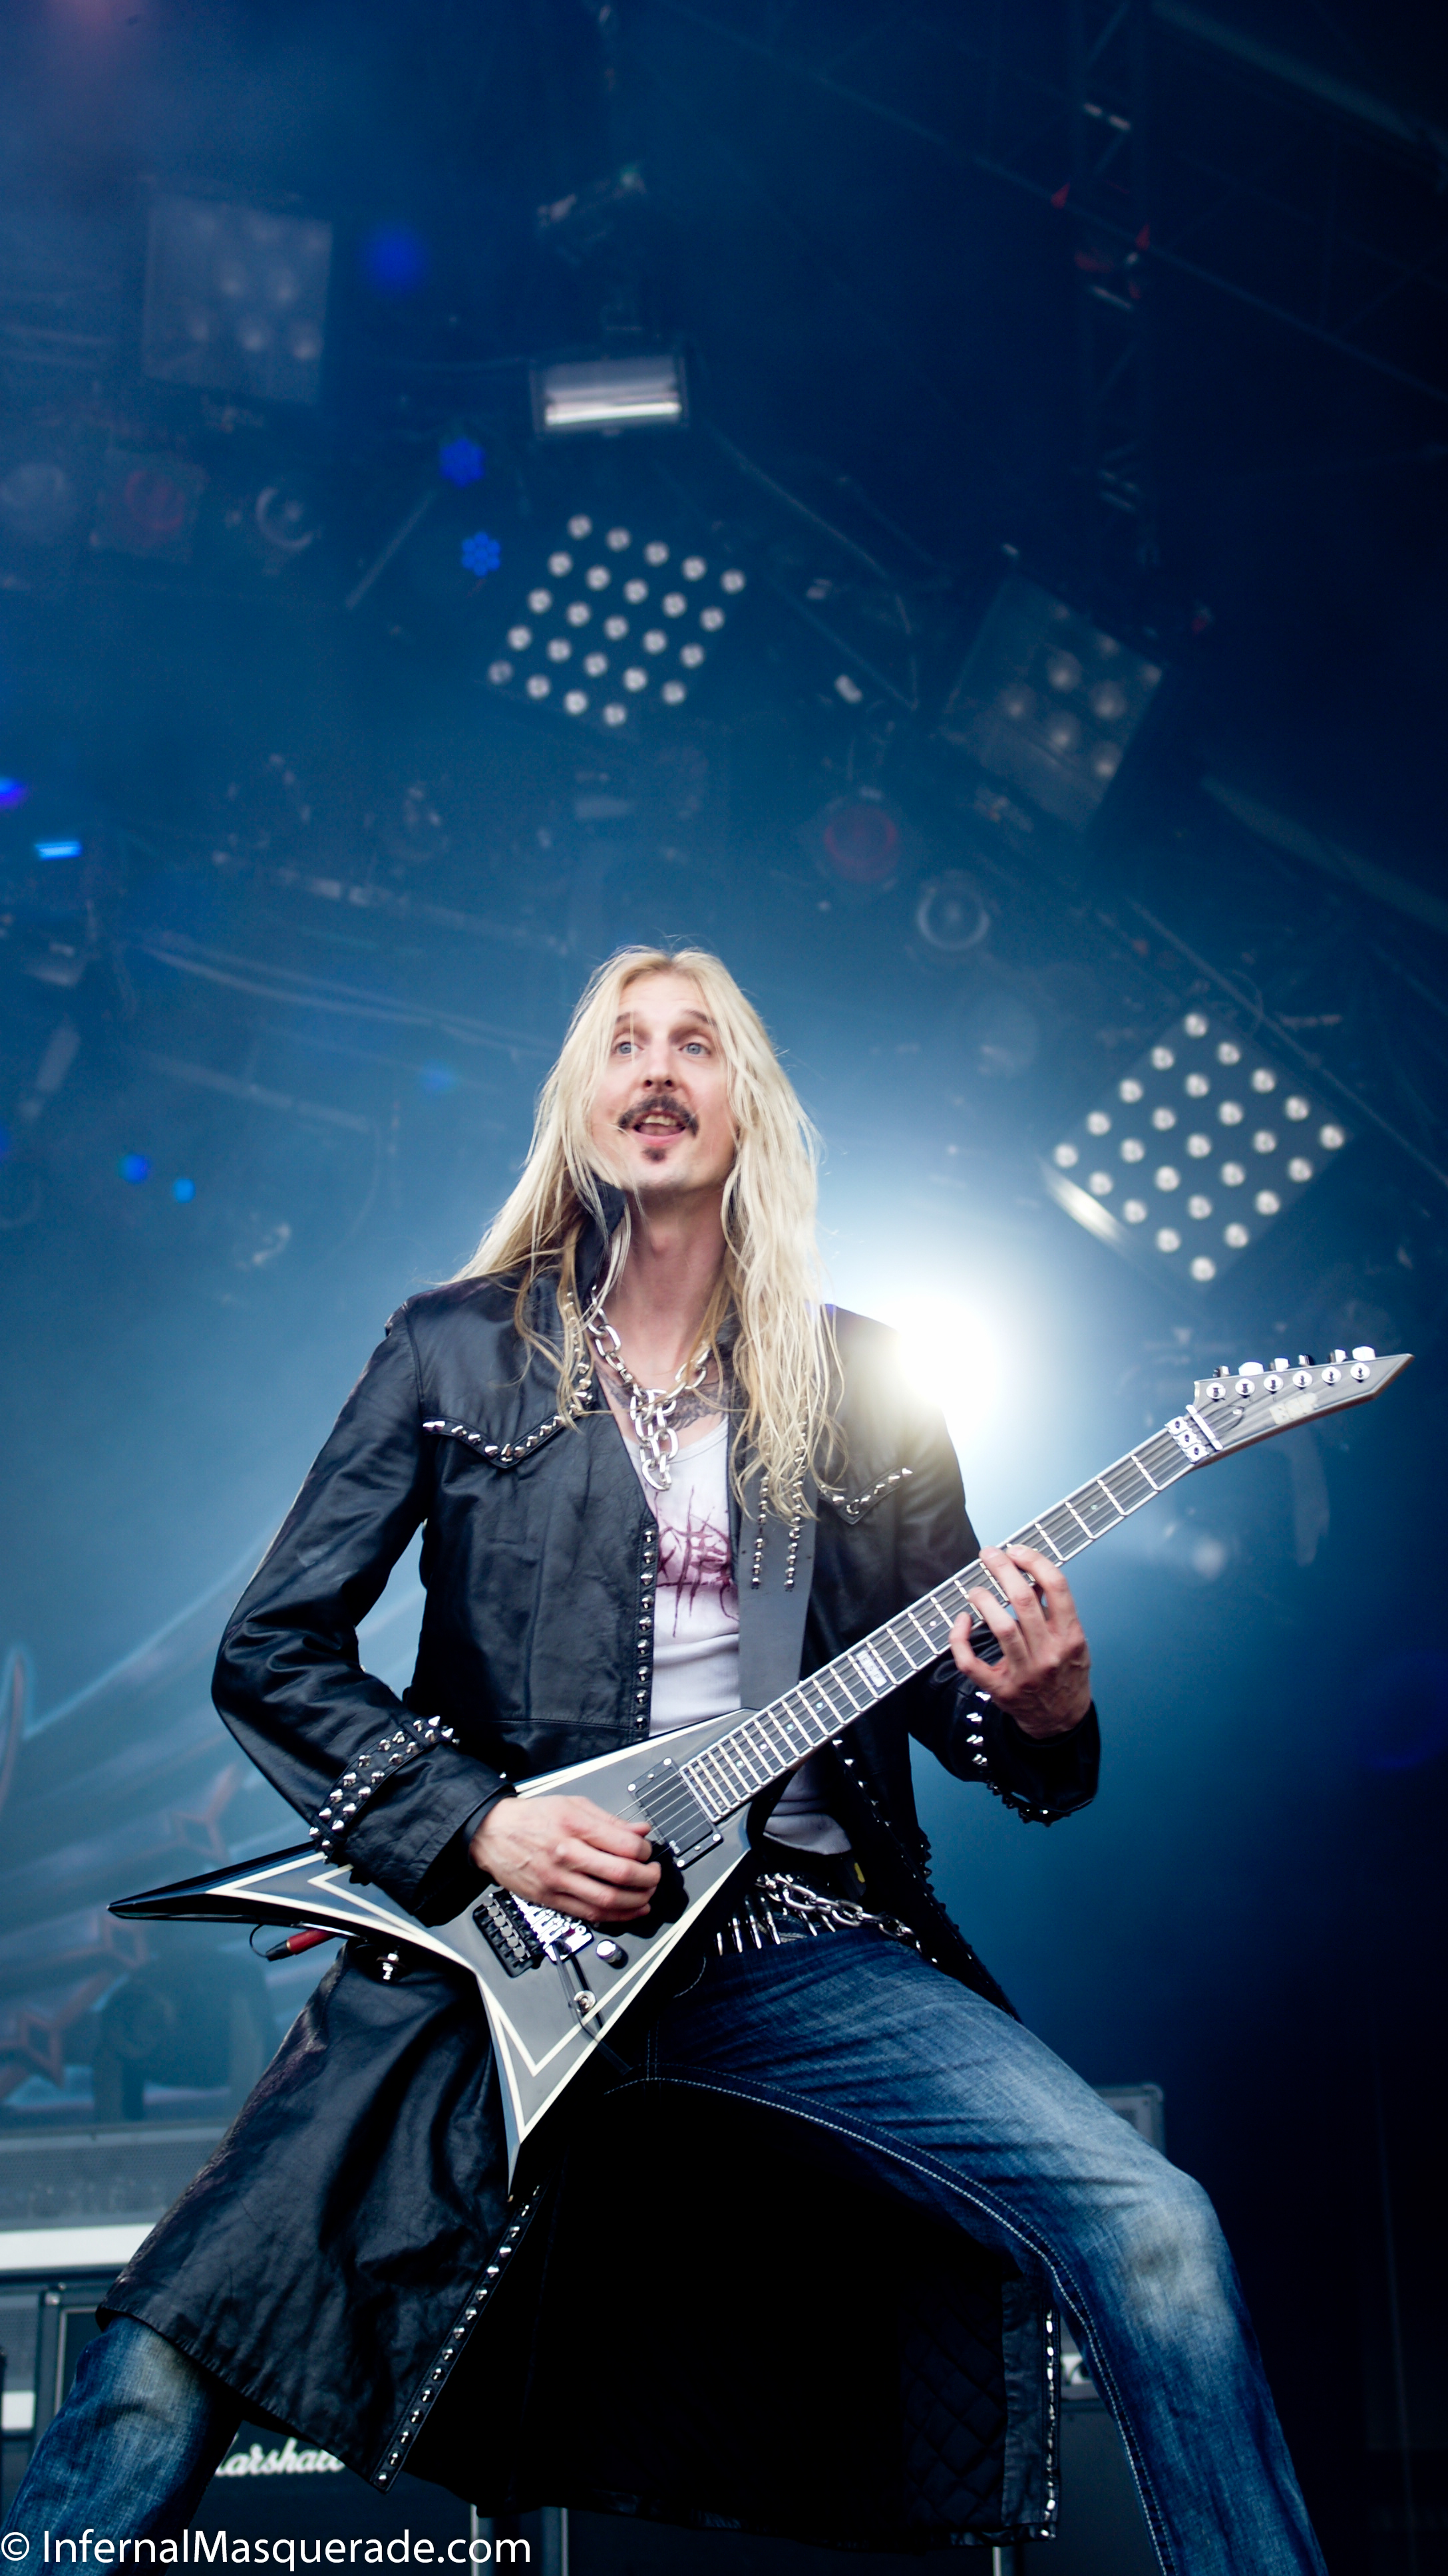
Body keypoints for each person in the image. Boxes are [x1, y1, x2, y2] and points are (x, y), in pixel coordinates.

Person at [5, 947, 1325, 2575]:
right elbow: (269, 1650)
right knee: (174, 2341)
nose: (654, 1067)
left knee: (1156, 2226)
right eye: (621, 1043)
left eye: (694, 1043)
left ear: (742, 1107)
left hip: (791, 1942)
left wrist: (1042, 1712)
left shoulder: (863, 1388)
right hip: (495, 1946)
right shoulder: (452, 1351)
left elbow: (962, 1706)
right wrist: (479, 1826)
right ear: (581, 1109)